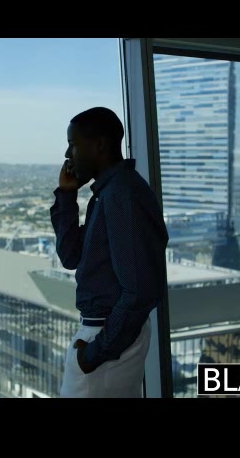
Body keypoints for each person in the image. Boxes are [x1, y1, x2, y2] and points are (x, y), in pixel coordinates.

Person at [50, 106, 169, 398]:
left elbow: (140, 291)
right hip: (107, 336)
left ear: (100, 145)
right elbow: (71, 256)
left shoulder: (121, 195)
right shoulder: (108, 193)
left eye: (73, 144)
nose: (67, 154)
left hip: (106, 339)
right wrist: (67, 195)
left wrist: (93, 354)